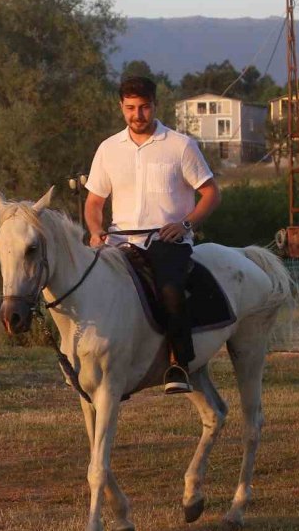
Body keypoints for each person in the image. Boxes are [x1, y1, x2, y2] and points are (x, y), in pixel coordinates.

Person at [84, 76, 221, 394]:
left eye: (144, 107)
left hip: (167, 241)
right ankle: (98, 364)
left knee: (170, 289)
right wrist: (94, 231)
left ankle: (178, 363)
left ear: (155, 106)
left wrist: (186, 225)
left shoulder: (180, 145)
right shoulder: (108, 149)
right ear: (121, 107)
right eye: (130, 108)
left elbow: (211, 193)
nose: (137, 115)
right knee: (88, 284)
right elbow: (94, 201)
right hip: (118, 242)